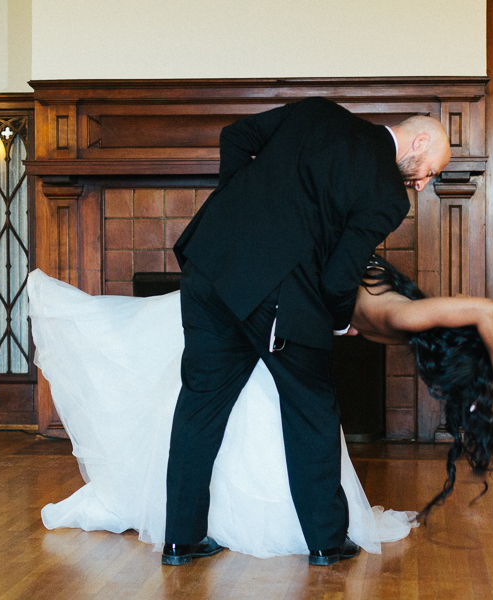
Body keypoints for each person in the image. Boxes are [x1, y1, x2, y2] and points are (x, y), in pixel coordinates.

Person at [29, 256, 493, 562]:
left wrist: (336, 325)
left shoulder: (401, 313)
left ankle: (202, 527)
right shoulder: (406, 314)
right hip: (274, 328)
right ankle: (296, 530)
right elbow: (489, 311)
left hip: (271, 321)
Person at [165, 97, 451, 566]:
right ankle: (326, 541)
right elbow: (339, 277)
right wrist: (340, 321)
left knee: (199, 403)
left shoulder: (318, 112)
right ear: (419, 140)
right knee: (312, 409)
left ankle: (181, 540)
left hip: (208, 265)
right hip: (278, 294)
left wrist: (237, 205)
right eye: (429, 171)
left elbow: (235, 135)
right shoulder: (388, 195)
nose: (422, 183)